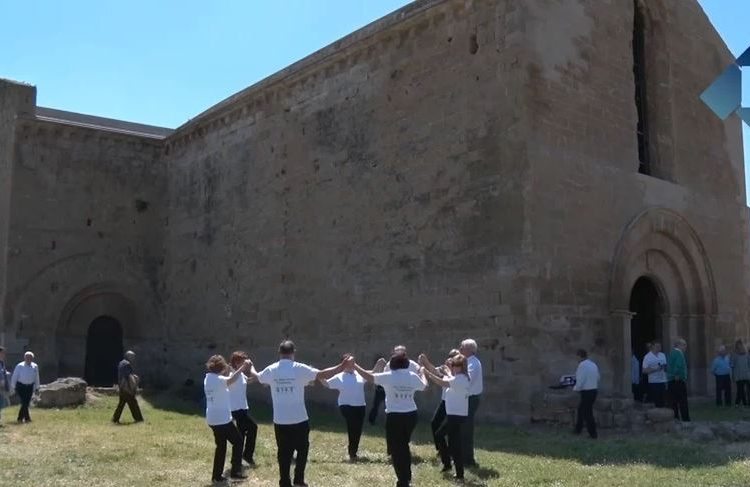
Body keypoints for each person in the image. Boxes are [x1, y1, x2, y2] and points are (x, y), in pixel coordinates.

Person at [247, 340, 350, 487]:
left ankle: (284, 482)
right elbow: (321, 374)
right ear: (293, 353)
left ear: (280, 353)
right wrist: (341, 367)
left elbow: (257, 376)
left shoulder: (272, 369)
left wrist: (250, 367)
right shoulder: (299, 368)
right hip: (299, 419)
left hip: (280, 420)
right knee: (302, 450)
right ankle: (299, 480)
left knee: (283, 453)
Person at [354, 352, 427, 487]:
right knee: (403, 446)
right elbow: (424, 385)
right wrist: (422, 372)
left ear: (392, 365)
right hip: (411, 415)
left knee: (396, 449)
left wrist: (355, 366)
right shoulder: (412, 376)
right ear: (406, 364)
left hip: (395, 417)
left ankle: (403, 480)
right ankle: (407, 476)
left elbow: (369, 377)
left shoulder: (389, 376)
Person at [320, 354, 380, 461]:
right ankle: (352, 452)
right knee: (352, 426)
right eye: (349, 363)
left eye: (353, 362)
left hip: (360, 406)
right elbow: (327, 384)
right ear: (344, 364)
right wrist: (320, 377)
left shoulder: (359, 374)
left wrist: (379, 364)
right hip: (345, 406)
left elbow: (372, 374)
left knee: (357, 430)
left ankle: (353, 452)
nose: (351, 365)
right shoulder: (339, 376)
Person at [422, 353, 471, 481]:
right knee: (455, 443)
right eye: (454, 365)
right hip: (455, 415)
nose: (455, 368)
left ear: (463, 366)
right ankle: (457, 472)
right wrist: (448, 371)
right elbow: (449, 378)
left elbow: (443, 382)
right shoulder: (460, 377)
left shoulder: (459, 379)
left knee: (440, 435)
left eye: (457, 366)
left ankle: (448, 462)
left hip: (455, 416)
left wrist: (427, 373)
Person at [204, 354, 252, 483]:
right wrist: (243, 367)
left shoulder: (208, 378)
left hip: (212, 419)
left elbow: (228, 378)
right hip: (222, 419)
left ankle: (216, 476)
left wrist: (234, 370)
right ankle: (236, 471)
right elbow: (231, 379)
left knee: (221, 446)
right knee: (238, 441)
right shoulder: (219, 380)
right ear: (221, 368)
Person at [419, 349, 460, 454]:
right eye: (450, 356)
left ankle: (450, 451)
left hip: (454, 403)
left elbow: (443, 380)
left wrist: (429, 372)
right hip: (445, 401)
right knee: (434, 423)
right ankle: (441, 449)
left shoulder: (458, 373)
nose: (450, 359)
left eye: (454, 357)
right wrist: (425, 362)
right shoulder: (446, 369)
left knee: (451, 430)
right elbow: (435, 371)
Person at [368, 345, 420, 424]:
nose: (398, 355)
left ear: (405, 354)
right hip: (387, 388)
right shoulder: (390, 363)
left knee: (399, 408)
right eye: (396, 353)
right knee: (377, 405)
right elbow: (385, 375)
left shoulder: (412, 364)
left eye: (400, 353)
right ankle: (372, 421)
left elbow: (419, 371)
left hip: (403, 390)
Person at [229, 351, 258, 466]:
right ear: (236, 362)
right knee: (253, 427)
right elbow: (231, 379)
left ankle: (239, 458)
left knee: (241, 434)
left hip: (243, 407)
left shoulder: (241, 374)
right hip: (236, 409)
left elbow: (249, 380)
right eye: (241, 361)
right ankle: (247, 456)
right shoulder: (231, 372)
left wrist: (253, 370)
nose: (243, 363)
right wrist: (243, 367)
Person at [459, 338, 483, 467]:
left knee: (466, 429)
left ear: (469, 350)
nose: (460, 350)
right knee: (462, 428)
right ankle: (462, 456)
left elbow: (467, 381)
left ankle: (468, 459)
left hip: (470, 399)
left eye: (462, 347)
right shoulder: (467, 362)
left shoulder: (473, 363)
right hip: (465, 399)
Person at [573, 349, 599, 439]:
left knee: (587, 413)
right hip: (594, 390)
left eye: (577, 357)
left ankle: (593, 434)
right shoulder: (593, 364)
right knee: (581, 410)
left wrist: (576, 388)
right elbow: (598, 377)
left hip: (587, 392)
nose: (576, 359)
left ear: (580, 356)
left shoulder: (582, 365)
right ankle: (578, 429)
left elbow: (580, 379)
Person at [112, 351, 144, 423]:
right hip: (126, 388)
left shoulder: (121, 363)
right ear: (128, 356)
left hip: (121, 387)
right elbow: (129, 377)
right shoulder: (127, 364)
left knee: (121, 404)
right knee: (133, 403)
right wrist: (133, 386)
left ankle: (115, 419)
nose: (133, 358)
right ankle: (139, 419)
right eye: (132, 357)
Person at [10, 351, 40, 423]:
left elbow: (36, 377)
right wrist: (13, 387)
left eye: (30, 358)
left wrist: (37, 387)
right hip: (21, 386)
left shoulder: (35, 366)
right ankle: (24, 418)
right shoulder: (19, 366)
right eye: (27, 357)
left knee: (26, 402)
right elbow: (15, 376)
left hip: (30, 387)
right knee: (24, 402)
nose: (28, 359)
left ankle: (23, 418)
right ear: (24, 358)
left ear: (32, 358)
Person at [667, 337, 690, 421]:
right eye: (684, 345)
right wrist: (677, 374)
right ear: (678, 345)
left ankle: (675, 417)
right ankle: (685, 418)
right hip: (678, 380)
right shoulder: (679, 353)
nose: (685, 347)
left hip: (671, 380)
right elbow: (678, 365)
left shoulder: (672, 353)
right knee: (682, 400)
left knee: (673, 401)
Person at [642, 342, 668, 408]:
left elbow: (665, 366)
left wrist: (664, 367)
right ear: (653, 346)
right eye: (657, 346)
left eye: (660, 346)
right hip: (654, 382)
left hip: (663, 380)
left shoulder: (662, 355)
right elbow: (644, 370)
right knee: (656, 401)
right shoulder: (647, 357)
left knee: (664, 401)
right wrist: (655, 369)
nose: (659, 347)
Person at [731, 340, 750, 407]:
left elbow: (749, 364)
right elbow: (732, 365)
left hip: (746, 374)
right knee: (740, 389)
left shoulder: (746, 354)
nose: (740, 346)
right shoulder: (734, 355)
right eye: (738, 345)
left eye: (741, 344)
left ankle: (739, 403)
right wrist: (732, 375)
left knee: (743, 389)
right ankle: (742, 403)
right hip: (738, 374)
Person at [0, 347, 9, 425]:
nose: (4, 355)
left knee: (2, 403)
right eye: (2, 353)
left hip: (2, 387)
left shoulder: (1, 363)